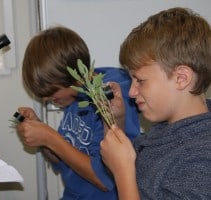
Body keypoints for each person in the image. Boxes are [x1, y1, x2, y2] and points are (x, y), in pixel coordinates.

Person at [100, 7, 211, 199]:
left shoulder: (207, 159)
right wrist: (114, 120)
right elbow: (127, 179)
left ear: (181, 78)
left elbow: (124, 175)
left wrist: (123, 170)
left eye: (140, 81)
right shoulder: (165, 132)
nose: (132, 92)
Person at [16, 26, 140, 200]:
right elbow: (62, 159)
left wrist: (50, 137)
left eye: (52, 93)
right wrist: (41, 135)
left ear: (74, 78)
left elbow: (104, 179)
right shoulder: (74, 98)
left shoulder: (109, 98)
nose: (47, 99)